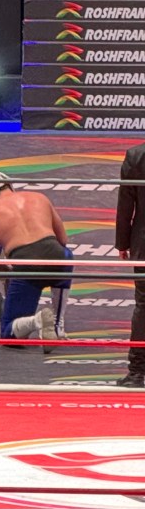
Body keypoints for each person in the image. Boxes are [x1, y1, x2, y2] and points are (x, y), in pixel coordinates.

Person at [0, 171, 67, 346]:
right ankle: (58, 324)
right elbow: (63, 240)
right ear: (10, 185)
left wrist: (11, 272)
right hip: (57, 259)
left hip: (26, 264)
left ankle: (37, 320)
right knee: (67, 256)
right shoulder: (39, 197)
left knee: (9, 335)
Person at [115, 142, 145, 387]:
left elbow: (126, 205)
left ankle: (137, 372)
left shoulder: (136, 156)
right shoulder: (135, 156)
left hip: (143, 243)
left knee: (144, 306)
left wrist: (123, 243)